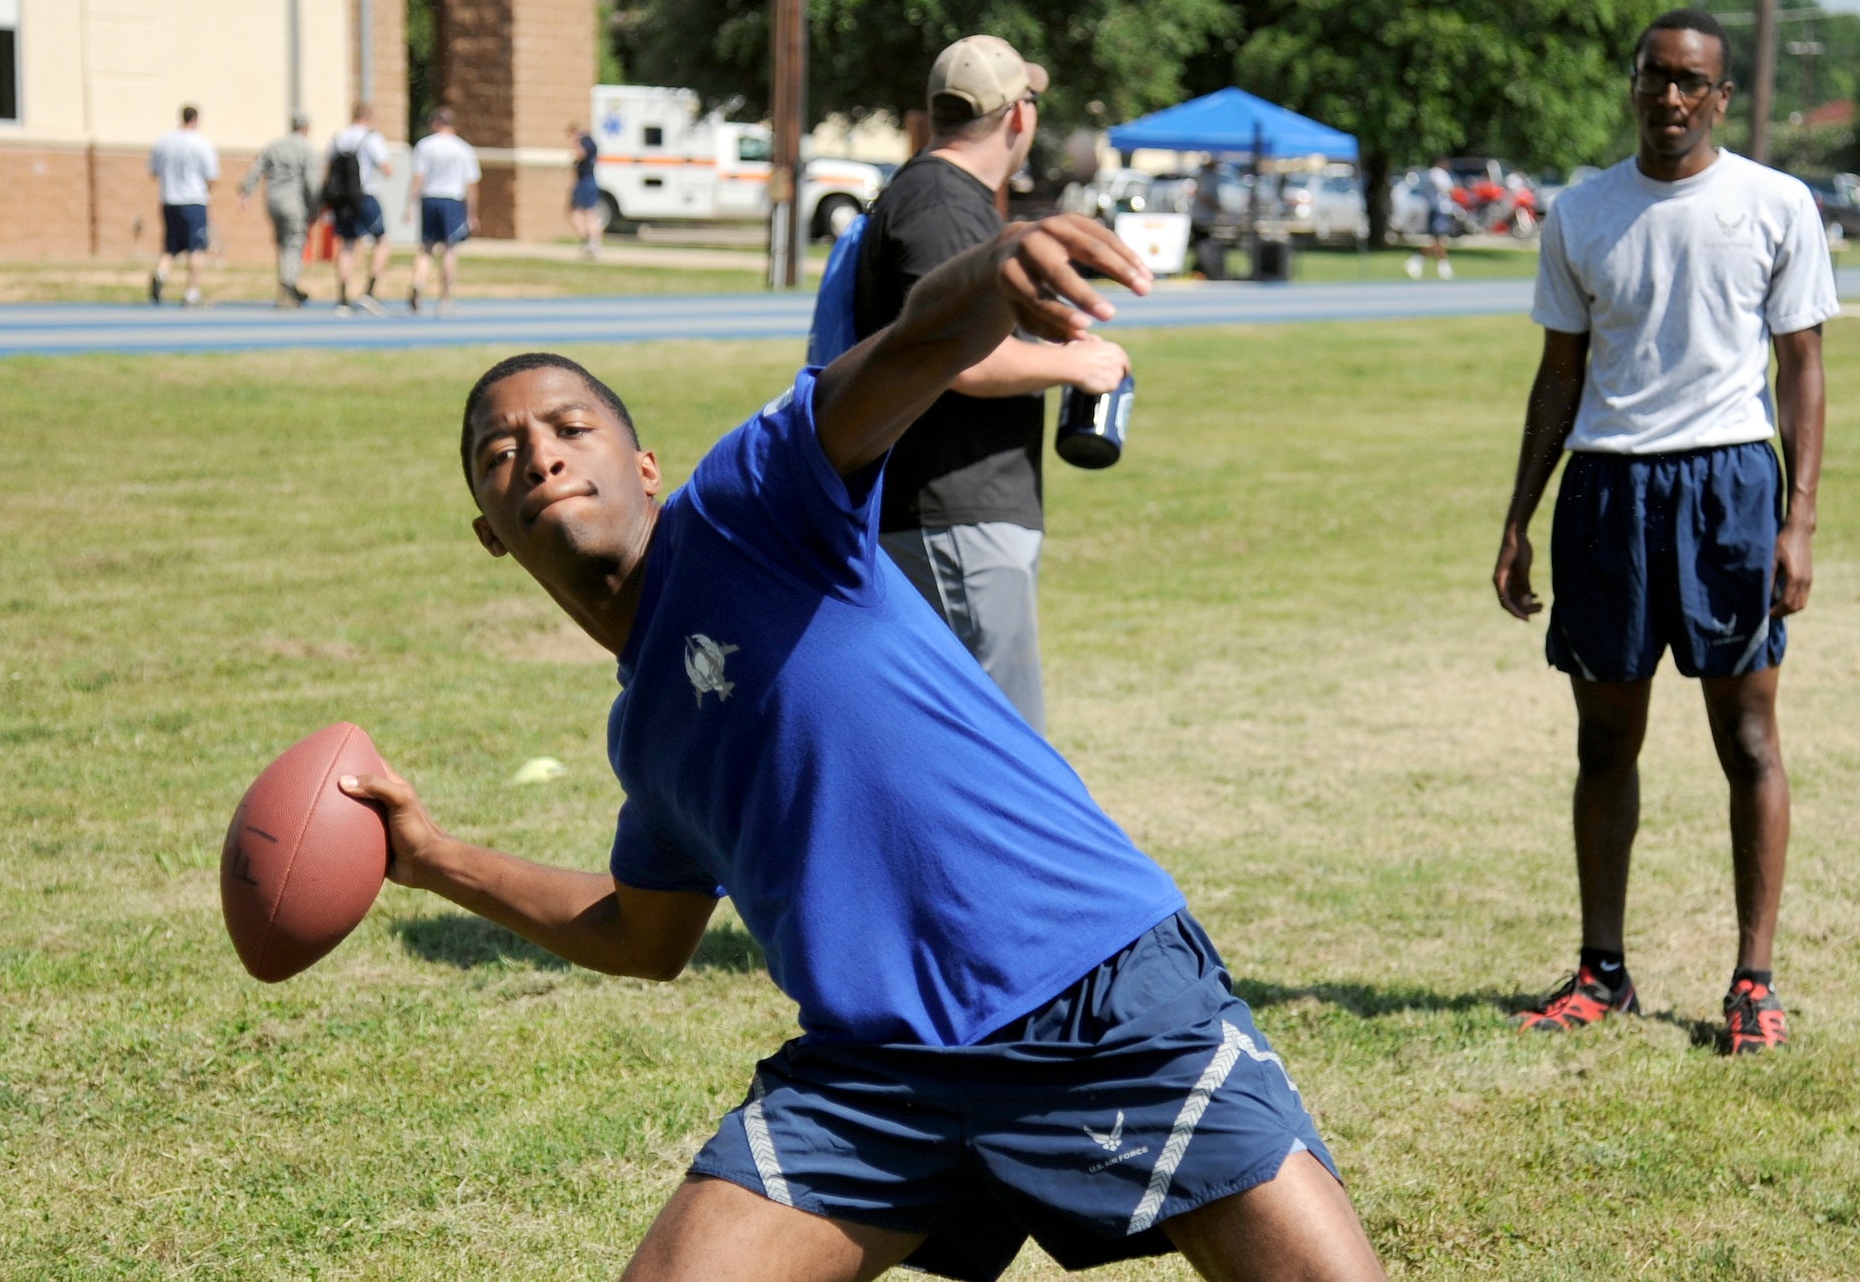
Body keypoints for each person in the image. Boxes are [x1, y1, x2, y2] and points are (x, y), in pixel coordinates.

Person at [338, 214, 1388, 1282]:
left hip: (1096, 994)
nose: (539, 453)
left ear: (645, 465)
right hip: (876, 1074)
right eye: (499, 454)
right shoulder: (643, 734)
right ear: (487, 525)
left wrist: (989, 270)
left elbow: (907, 352)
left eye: (567, 425)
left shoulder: (751, 502)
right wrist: (427, 859)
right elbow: (642, 931)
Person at [1492, 8, 1836, 1055]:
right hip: (1605, 491)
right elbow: (1557, 374)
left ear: (1720, 97)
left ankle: (1752, 979)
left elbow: (1802, 368)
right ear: (1632, 83)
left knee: (1746, 737)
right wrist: (1517, 515)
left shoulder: (1773, 203)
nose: (1671, 97)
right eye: (1655, 76)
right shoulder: (1581, 210)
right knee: (1603, 740)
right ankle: (1602, 969)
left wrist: (1798, 519)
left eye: (1692, 81)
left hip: (1728, 486)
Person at [853, 35, 1131, 732]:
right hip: (953, 511)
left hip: (958, 511)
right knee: (1003, 748)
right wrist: (1079, 365)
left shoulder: (946, 198)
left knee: (961, 743)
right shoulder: (941, 206)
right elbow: (957, 357)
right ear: (1018, 116)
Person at [238, 113, 321, 308]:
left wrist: (245, 192)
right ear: (306, 128)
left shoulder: (273, 146)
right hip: (294, 203)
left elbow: (256, 169)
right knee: (294, 244)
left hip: (274, 202)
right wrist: (314, 207)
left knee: (283, 245)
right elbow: (312, 182)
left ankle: (288, 285)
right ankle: (287, 287)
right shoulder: (307, 149)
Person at [407, 106, 481, 318]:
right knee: (449, 250)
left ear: (435, 123)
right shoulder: (463, 149)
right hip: (452, 200)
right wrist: (472, 214)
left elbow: (418, 177)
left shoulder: (424, 145)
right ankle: (445, 299)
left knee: (426, 250)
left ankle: (417, 285)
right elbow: (471, 185)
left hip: (430, 198)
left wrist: (410, 205)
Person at [325, 102, 394, 316]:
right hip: (365, 195)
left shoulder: (338, 137)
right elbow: (387, 168)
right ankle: (369, 292)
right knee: (382, 241)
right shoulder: (372, 137)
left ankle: (343, 298)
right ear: (368, 117)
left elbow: (327, 166)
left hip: (343, 198)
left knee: (346, 245)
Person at [147, 105, 219, 307]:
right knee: (196, 248)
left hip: (169, 200)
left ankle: (161, 273)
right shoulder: (202, 143)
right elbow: (211, 176)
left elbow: (153, 172)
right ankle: (191, 292)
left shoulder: (163, 141)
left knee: (171, 246)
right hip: (194, 200)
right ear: (195, 119)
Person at [1404, 156, 1455, 280]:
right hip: (1440, 209)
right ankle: (1419, 261)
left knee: (1439, 240)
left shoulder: (1427, 174)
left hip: (1433, 209)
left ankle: (1442, 266)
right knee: (1438, 240)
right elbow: (1449, 190)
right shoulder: (1438, 174)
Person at [567, 122, 602, 258]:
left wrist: (574, 143)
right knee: (583, 213)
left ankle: (590, 241)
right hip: (588, 181)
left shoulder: (584, 143)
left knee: (585, 213)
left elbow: (580, 154)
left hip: (585, 182)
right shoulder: (591, 142)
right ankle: (590, 241)